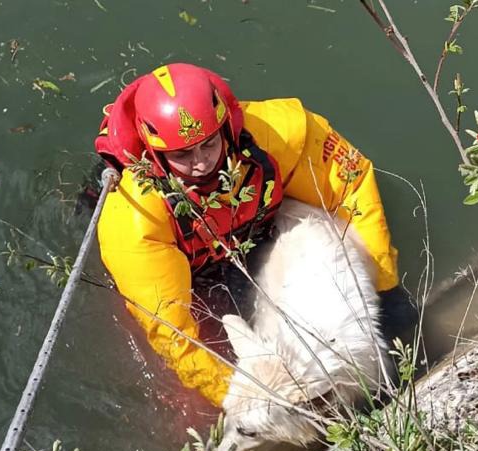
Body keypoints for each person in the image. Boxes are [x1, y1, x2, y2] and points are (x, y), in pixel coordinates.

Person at [93, 62, 417, 407]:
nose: (201, 163)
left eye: (209, 144)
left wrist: (384, 283)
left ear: (226, 127)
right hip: (191, 266)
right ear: (156, 154)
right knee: (189, 404)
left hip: (252, 229)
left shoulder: (280, 132)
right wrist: (237, 398)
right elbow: (172, 332)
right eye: (182, 155)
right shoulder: (133, 221)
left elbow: (351, 187)